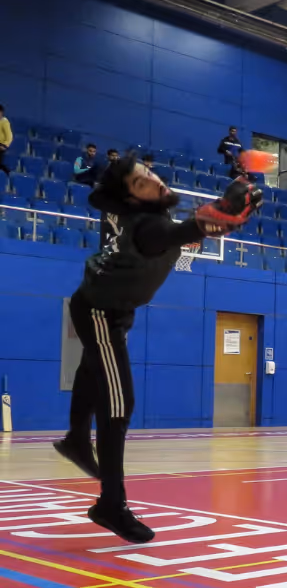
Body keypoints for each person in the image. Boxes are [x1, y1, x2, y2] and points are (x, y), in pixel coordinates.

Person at [52, 153, 261, 543]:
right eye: (140, 182)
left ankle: (77, 438)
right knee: (119, 403)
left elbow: (182, 227)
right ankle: (110, 504)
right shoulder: (146, 227)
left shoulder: (138, 213)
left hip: (109, 304)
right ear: (132, 198)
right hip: (100, 312)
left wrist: (215, 218)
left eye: (148, 173)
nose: (153, 180)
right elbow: (176, 233)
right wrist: (218, 213)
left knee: (93, 369)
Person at [0, 103, 12, 175]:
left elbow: (9, 136)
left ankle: (8, 173)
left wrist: (5, 145)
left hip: (1, 145)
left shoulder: (4, 122)